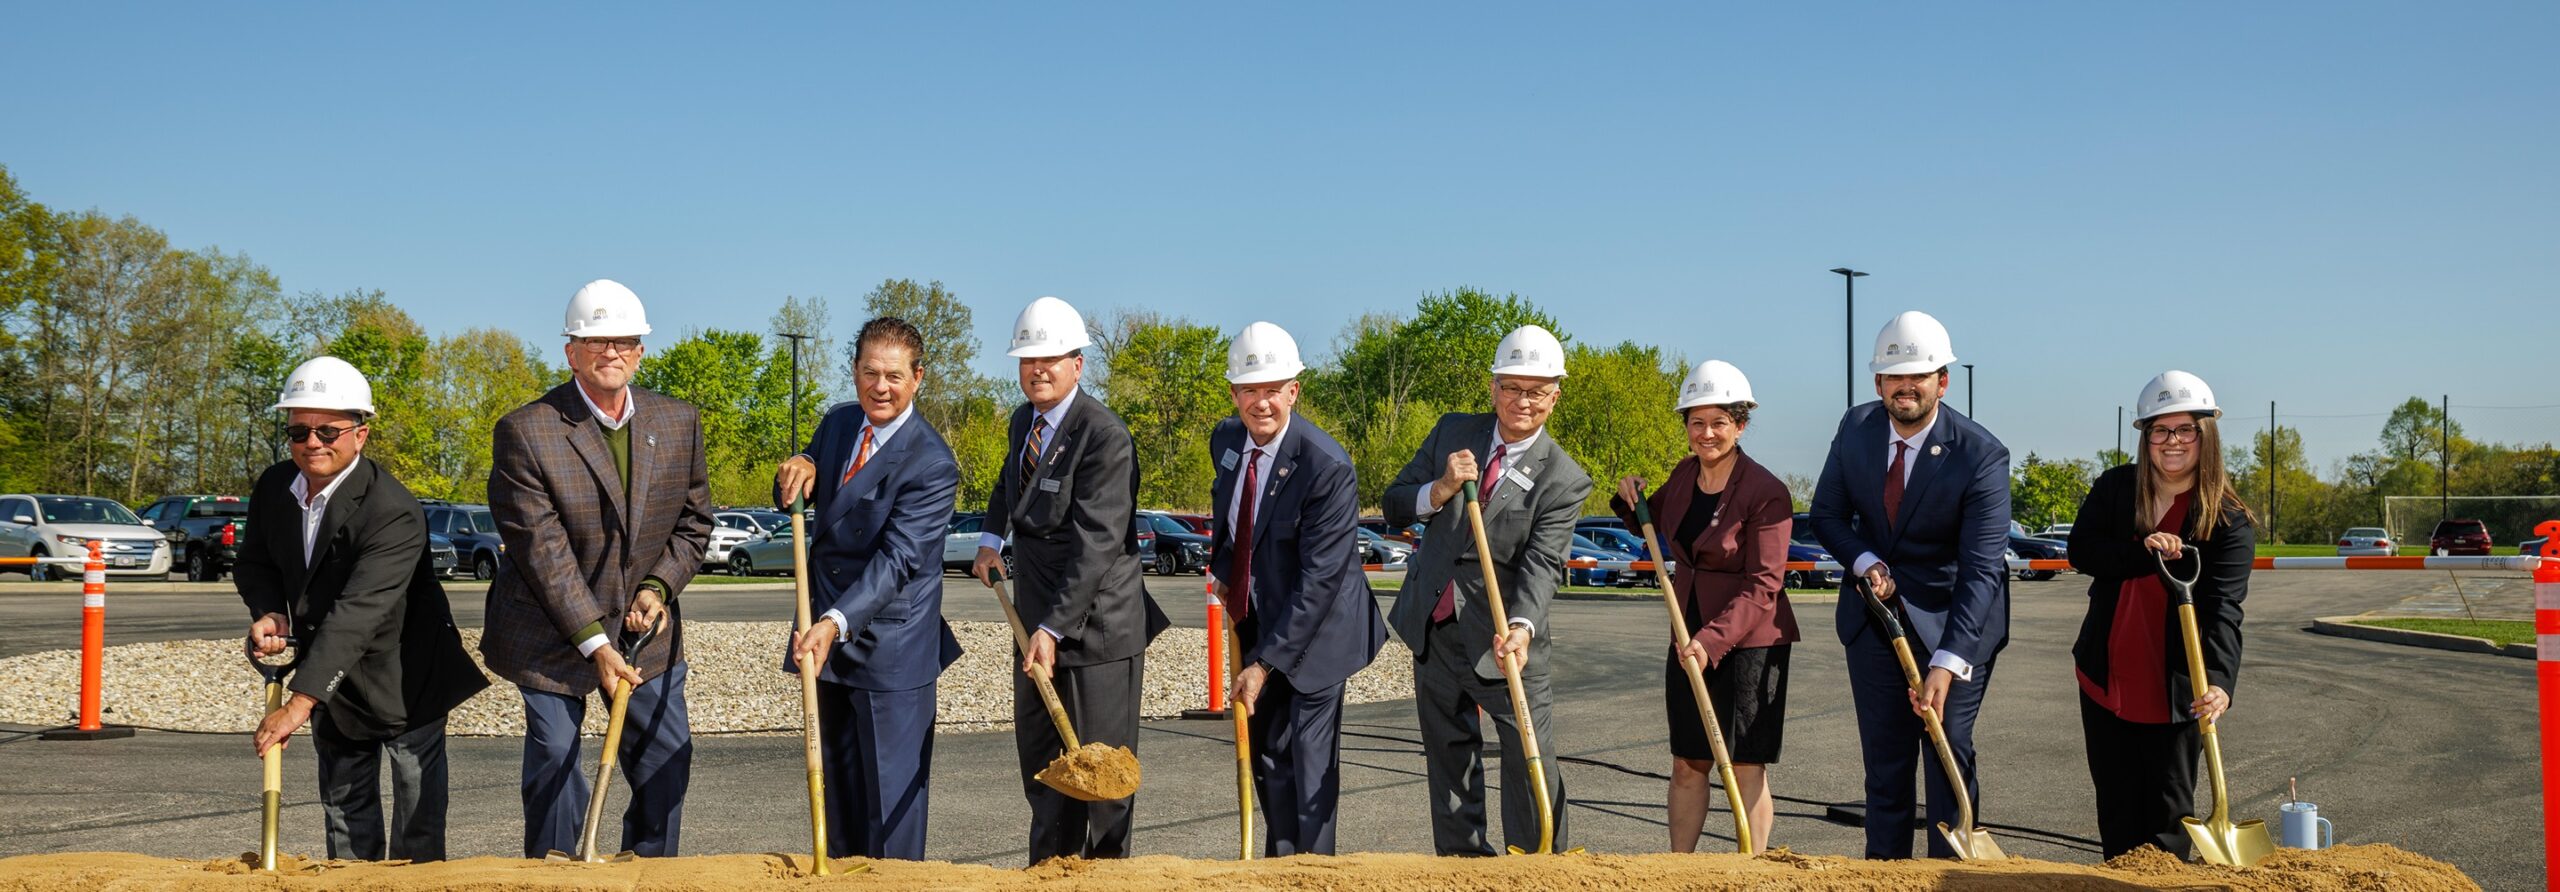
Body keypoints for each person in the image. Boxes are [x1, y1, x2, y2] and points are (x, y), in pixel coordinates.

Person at [480, 278, 713, 858]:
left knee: (665, 757)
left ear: (639, 351)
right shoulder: (527, 431)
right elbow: (543, 553)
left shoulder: (677, 422)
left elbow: (693, 524)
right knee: (557, 756)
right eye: (596, 341)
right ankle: (560, 871)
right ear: (572, 353)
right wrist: (594, 643)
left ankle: (647, 869)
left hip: (643, 633)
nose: (612, 352)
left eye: (624, 341)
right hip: (551, 631)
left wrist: (658, 587)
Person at [237, 356, 487, 862]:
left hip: (405, 671)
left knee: (416, 815)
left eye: (328, 430)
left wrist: (298, 704)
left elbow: (358, 612)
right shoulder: (273, 487)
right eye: (298, 431)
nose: (312, 443)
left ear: (361, 434)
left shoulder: (391, 510)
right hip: (333, 669)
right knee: (346, 814)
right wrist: (269, 611)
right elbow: (256, 562)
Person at [970, 295, 1170, 861]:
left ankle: (1106, 876)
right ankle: (1049, 872)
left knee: (1103, 781)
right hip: (1037, 620)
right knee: (1047, 772)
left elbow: (1099, 542)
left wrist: (1054, 628)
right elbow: (1010, 486)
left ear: (1077, 364)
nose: (1037, 370)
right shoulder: (1021, 421)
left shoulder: (1104, 434)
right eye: (1028, 360)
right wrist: (990, 540)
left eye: (1050, 358)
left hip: (1096, 629)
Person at [1381, 323, 1593, 856]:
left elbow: (1544, 564)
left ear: (1555, 397)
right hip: (1434, 624)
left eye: (1536, 391)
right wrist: (1441, 488)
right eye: (1512, 387)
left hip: (1505, 641)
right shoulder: (1453, 432)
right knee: (1449, 760)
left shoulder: (1564, 478)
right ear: (1493, 386)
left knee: (1529, 760)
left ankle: (1538, 867)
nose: (1523, 401)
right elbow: (1394, 503)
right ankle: (1464, 867)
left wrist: (1520, 628)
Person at [1808, 310, 2012, 860]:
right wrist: (1864, 559)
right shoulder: (1855, 428)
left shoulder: (1980, 455)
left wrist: (1948, 662)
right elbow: (1826, 514)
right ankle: (1886, 874)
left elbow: (1982, 569)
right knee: (1886, 766)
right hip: (1876, 622)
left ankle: (1952, 873)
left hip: (1954, 625)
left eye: (1918, 376)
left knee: (1948, 755)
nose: (1905, 387)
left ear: (1942, 381)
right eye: (1894, 377)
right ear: (1879, 383)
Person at [772, 317, 964, 860]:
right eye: (870, 372)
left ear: (918, 378)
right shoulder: (836, 425)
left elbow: (900, 559)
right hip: (826, 640)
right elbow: (804, 495)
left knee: (889, 809)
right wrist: (800, 466)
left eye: (895, 375)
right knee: (840, 800)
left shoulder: (932, 462)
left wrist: (835, 622)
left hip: (890, 649)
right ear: (855, 371)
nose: (881, 386)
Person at [1207, 321, 1387, 856]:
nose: (1261, 404)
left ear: (1293, 391)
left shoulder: (1325, 466)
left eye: (1272, 390)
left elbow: (1320, 580)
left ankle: (1314, 872)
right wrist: (1224, 567)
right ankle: (1278, 870)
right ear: (1235, 392)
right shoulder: (1225, 440)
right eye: (1249, 391)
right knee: (1267, 759)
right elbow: (1233, 518)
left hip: (1320, 633)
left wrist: (1264, 665)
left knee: (1309, 770)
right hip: (1261, 620)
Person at [1608, 359, 1797, 854]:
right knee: (1688, 759)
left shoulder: (1767, 492)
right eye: (1696, 422)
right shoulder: (1686, 473)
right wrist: (1632, 499)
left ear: (1741, 424)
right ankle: (1682, 871)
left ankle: (1749, 872)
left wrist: (1710, 643)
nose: (1706, 433)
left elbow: (1764, 586)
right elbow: (1652, 519)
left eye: (1719, 422)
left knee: (1745, 763)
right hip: (1686, 627)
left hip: (1751, 639)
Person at [2068, 370, 2253, 860]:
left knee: (2171, 814)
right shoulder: (2115, 489)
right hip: (2107, 678)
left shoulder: (2227, 518)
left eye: (2185, 430)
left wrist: (2218, 679)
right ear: (2145, 436)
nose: (2173, 442)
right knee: (2117, 809)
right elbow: (2082, 551)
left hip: (2177, 686)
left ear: (2205, 434)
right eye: (2160, 430)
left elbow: (2224, 608)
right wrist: (2143, 552)